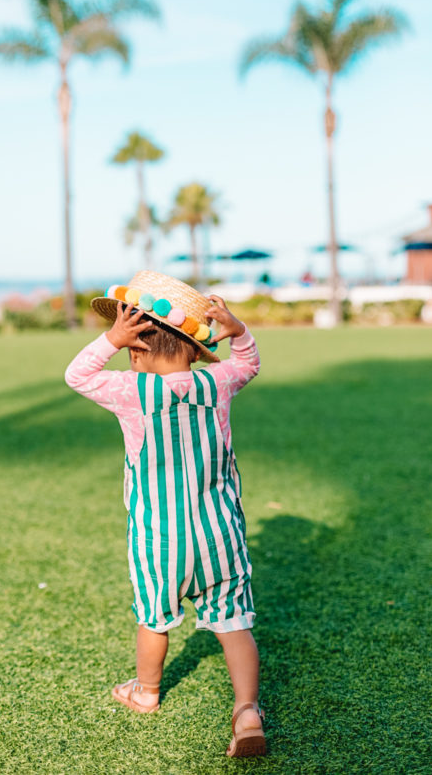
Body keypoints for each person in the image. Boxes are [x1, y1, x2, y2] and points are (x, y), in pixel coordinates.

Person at [64, 272, 266, 758]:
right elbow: (249, 363)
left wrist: (108, 340)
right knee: (234, 623)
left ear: (133, 351)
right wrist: (238, 330)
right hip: (220, 535)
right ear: (197, 349)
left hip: (160, 538)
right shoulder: (217, 383)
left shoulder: (129, 391)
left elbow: (77, 376)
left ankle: (147, 692)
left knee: (154, 618)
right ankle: (247, 711)